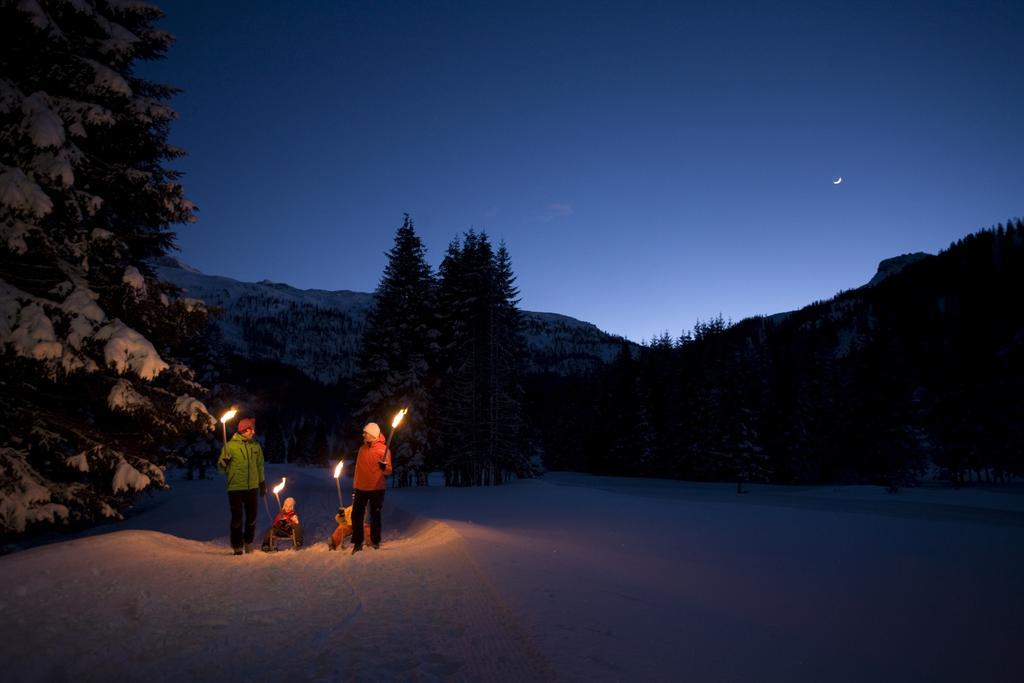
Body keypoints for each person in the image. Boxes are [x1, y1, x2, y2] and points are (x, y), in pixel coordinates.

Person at [217, 416, 266, 555]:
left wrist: (262, 483)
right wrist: (223, 463)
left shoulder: (255, 446)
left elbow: (260, 466)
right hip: (236, 488)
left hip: (253, 487)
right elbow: (220, 470)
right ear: (244, 430)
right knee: (237, 518)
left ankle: (248, 542)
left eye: (253, 429)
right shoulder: (230, 446)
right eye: (251, 430)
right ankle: (237, 545)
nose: (253, 432)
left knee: (252, 517)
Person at [350, 422, 392, 553]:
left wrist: (384, 467)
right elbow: (358, 469)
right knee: (356, 515)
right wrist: (355, 486)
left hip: (376, 489)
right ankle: (357, 542)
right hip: (361, 488)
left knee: (375, 515)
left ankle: (375, 541)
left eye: (365, 433)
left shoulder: (383, 450)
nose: (363, 435)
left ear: (372, 434)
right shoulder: (362, 449)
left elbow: (389, 470)